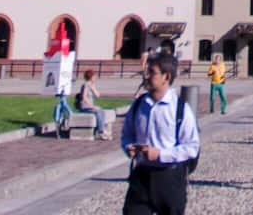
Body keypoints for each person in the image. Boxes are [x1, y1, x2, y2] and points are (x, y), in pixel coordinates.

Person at [119, 54, 201, 215]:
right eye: (146, 71)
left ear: (166, 77)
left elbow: (192, 147)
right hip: (141, 176)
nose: (146, 76)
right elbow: (126, 134)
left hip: (169, 178)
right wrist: (128, 147)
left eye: (152, 72)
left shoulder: (180, 109)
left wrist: (161, 154)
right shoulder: (138, 105)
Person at [76, 70, 115, 140]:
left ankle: (102, 130)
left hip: (90, 107)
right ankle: (101, 132)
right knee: (98, 112)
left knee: (101, 111)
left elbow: (98, 95)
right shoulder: (85, 85)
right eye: (94, 76)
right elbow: (84, 97)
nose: (95, 77)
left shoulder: (91, 85)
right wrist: (93, 106)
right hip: (85, 107)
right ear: (91, 77)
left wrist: (93, 88)